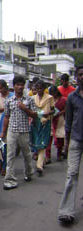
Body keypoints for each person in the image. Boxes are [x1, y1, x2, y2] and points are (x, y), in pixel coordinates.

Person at [0, 76, 37, 190]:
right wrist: (3, 132)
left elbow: (35, 115)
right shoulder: (9, 100)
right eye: (17, 84)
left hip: (24, 131)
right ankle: (9, 180)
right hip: (12, 131)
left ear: (24, 86)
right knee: (10, 155)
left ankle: (29, 173)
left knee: (27, 155)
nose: (20, 87)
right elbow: (6, 117)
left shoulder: (29, 99)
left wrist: (25, 108)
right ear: (14, 86)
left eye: (22, 84)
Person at [58, 66, 83, 224]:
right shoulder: (72, 98)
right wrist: (66, 145)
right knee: (72, 174)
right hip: (75, 140)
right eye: (81, 74)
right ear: (77, 77)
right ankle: (66, 211)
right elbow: (68, 123)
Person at [30, 80, 55, 176]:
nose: (39, 90)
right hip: (36, 122)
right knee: (37, 142)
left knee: (43, 143)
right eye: (37, 88)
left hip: (45, 122)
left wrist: (48, 113)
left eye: (41, 88)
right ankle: (42, 160)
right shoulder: (32, 98)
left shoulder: (50, 98)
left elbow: (53, 110)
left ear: (44, 89)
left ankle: (39, 166)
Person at [0, 80, 14, 176]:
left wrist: (4, 109)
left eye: (1, 88)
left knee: (7, 146)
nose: (0, 90)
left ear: (6, 87)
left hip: (10, 122)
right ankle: (0, 161)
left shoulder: (12, 96)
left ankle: (5, 165)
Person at [46, 86, 67, 163]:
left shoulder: (63, 100)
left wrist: (59, 113)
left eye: (53, 93)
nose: (52, 95)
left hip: (60, 121)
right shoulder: (49, 100)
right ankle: (48, 156)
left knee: (60, 138)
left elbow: (66, 109)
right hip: (51, 120)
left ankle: (59, 154)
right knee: (48, 138)